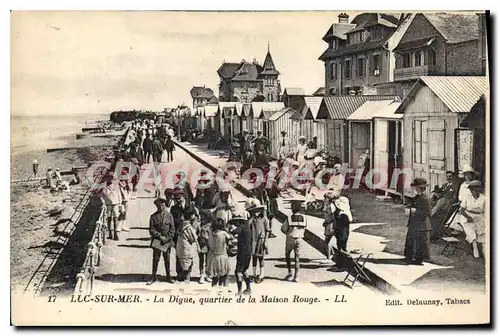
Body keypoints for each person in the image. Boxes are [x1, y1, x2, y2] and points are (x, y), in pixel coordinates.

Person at [148, 198, 176, 285]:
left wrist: (167, 238)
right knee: (156, 259)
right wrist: (160, 237)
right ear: (156, 206)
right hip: (157, 241)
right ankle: (153, 276)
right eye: (160, 206)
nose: (162, 207)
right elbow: (151, 230)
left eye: (163, 205)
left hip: (167, 241)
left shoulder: (169, 215)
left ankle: (168, 276)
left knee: (167, 259)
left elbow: (172, 229)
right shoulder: (153, 216)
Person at [404, 178, 432, 265]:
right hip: (414, 223)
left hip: (422, 224)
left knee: (420, 243)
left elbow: (427, 213)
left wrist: (415, 211)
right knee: (411, 239)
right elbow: (412, 204)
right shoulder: (417, 197)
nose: (417, 190)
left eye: (418, 188)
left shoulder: (426, 199)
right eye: (416, 188)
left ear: (423, 189)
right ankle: (409, 257)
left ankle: (418, 259)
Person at [456, 180, 485, 258]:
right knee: (470, 229)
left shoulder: (484, 198)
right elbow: (461, 210)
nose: (474, 192)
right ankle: (474, 245)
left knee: (483, 230)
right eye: (472, 190)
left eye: (476, 190)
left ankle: (483, 248)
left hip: (479, 217)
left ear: (479, 190)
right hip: (467, 216)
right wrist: (468, 217)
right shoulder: (467, 197)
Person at [430, 171, 460, 240]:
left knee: (440, 205)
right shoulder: (444, 185)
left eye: (450, 176)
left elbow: (455, 198)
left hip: (448, 205)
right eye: (447, 176)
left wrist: (447, 202)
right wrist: (436, 194)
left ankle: (430, 215)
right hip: (440, 204)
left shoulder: (456, 186)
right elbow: (439, 194)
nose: (448, 178)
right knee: (435, 199)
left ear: (454, 177)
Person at [281, 200, 307, 282]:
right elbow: (305, 228)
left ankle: (289, 272)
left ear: (292, 209)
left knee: (287, 255)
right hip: (299, 239)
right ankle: (296, 276)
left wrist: (288, 233)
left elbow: (283, 229)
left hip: (290, 238)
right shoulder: (304, 218)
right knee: (297, 258)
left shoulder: (289, 218)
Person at [207, 218, 233, 290]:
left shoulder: (211, 234)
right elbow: (231, 237)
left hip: (214, 257)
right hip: (223, 256)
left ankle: (214, 290)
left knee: (215, 277)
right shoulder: (223, 233)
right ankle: (222, 290)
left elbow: (210, 244)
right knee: (223, 275)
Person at [247, 201, 270, 283]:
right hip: (253, 240)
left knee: (261, 258)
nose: (256, 213)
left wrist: (266, 241)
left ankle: (261, 275)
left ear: (261, 211)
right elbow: (247, 225)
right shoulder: (252, 220)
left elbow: (268, 230)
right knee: (254, 258)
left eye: (257, 211)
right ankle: (254, 274)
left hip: (261, 240)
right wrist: (252, 218)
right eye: (254, 211)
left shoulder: (265, 219)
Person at [231, 213, 253, 295]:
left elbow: (234, 231)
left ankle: (239, 291)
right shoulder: (247, 227)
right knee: (244, 270)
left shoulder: (242, 227)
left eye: (235, 222)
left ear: (239, 221)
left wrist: (229, 230)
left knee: (237, 271)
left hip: (242, 252)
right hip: (248, 251)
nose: (235, 224)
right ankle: (248, 288)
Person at [175, 209, 199, 284]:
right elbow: (193, 238)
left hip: (180, 246)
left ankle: (181, 275)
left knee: (181, 260)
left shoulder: (181, 224)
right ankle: (187, 277)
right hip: (187, 247)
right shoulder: (189, 227)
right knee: (188, 262)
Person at [101, 175, 122, 241]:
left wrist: (120, 204)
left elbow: (119, 194)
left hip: (115, 203)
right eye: (108, 179)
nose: (110, 180)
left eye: (111, 179)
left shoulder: (116, 186)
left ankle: (115, 234)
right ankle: (110, 234)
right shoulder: (104, 187)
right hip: (108, 204)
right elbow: (103, 196)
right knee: (109, 219)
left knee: (115, 219)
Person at [322, 192, 338, 262]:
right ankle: (332, 254)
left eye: (326, 198)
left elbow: (332, 217)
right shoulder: (328, 206)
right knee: (327, 241)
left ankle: (328, 257)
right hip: (328, 224)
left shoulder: (331, 206)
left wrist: (326, 222)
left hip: (330, 225)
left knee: (327, 241)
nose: (324, 199)